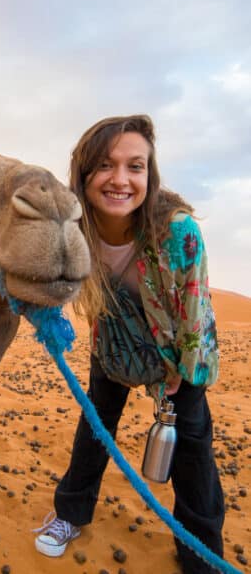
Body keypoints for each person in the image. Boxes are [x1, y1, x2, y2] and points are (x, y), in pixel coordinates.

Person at [34, 115, 224, 574]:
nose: (120, 179)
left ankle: (201, 550)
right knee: (95, 428)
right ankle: (70, 513)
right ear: (83, 174)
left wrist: (180, 374)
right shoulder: (73, 232)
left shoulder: (178, 233)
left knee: (192, 448)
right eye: (105, 165)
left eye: (135, 166)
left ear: (149, 175)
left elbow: (196, 314)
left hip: (176, 349)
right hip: (113, 343)